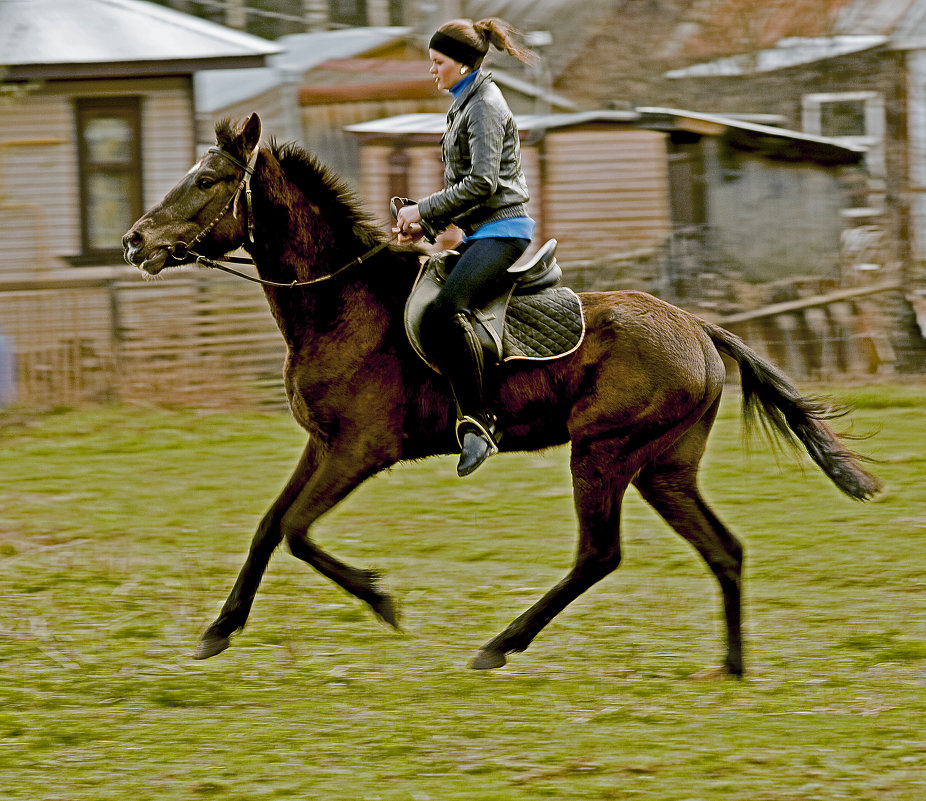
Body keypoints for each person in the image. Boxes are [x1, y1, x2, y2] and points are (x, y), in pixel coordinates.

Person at [394, 17, 537, 477]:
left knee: (444, 310)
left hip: (505, 233)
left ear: (461, 64)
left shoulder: (483, 106)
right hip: (482, 232)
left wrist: (423, 210)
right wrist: (427, 222)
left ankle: (479, 424)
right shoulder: (465, 103)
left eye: (437, 63)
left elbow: (482, 182)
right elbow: (469, 188)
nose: (431, 71)